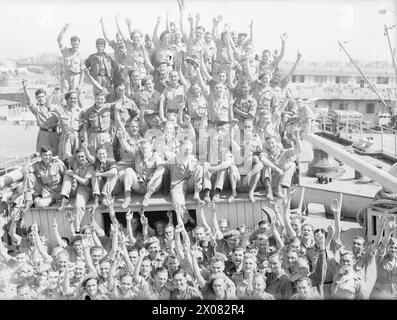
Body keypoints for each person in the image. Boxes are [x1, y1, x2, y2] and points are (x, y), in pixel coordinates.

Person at [121, 139, 165, 208]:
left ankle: (147, 196)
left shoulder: (155, 155)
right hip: (139, 185)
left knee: (159, 174)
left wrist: (152, 180)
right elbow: (127, 148)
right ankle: (127, 197)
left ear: (151, 148)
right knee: (128, 170)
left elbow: (161, 169)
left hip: (151, 187)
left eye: (146, 148)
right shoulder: (137, 154)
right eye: (142, 148)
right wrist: (121, 138)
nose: (144, 150)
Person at [58, 149, 94, 232]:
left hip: (85, 188)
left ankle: (77, 229)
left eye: (82, 157)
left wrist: (74, 175)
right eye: (78, 157)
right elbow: (65, 151)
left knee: (78, 205)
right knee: (67, 174)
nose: (80, 159)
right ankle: (64, 198)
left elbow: (85, 182)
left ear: (86, 156)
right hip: (75, 186)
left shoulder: (90, 167)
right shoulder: (74, 162)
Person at [22, 146, 66, 211]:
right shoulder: (37, 164)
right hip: (46, 190)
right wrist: (30, 158)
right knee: (29, 175)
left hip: (58, 191)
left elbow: (66, 176)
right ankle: (29, 200)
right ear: (41, 156)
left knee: (39, 203)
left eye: (49, 155)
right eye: (45, 155)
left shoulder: (57, 163)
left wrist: (64, 194)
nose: (47, 157)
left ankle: (43, 200)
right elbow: (24, 172)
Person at [22, 80, 59, 155]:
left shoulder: (54, 107)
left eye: (42, 96)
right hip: (43, 134)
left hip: (55, 134)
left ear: (45, 97)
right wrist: (25, 88)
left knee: (56, 155)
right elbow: (29, 100)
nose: (41, 98)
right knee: (43, 155)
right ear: (36, 98)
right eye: (39, 97)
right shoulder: (36, 109)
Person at [81, 90, 114, 160]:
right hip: (93, 136)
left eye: (102, 99)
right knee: (94, 157)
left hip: (105, 135)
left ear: (105, 100)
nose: (100, 101)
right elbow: (85, 128)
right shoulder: (89, 111)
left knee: (108, 157)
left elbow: (118, 104)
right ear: (94, 99)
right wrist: (86, 140)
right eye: (98, 99)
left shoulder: (108, 108)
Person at [53, 91, 83, 161]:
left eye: (75, 98)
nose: (73, 100)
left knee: (77, 157)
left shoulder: (81, 111)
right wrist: (54, 94)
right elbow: (48, 106)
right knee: (64, 157)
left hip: (76, 137)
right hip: (65, 137)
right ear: (66, 99)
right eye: (71, 98)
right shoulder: (61, 109)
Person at [57, 23, 85, 93]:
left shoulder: (81, 56)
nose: (75, 46)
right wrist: (64, 29)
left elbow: (83, 72)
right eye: (73, 44)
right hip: (66, 77)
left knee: (74, 97)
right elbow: (59, 40)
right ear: (71, 44)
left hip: (76, 78)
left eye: (77, 44)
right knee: (64, 97)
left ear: (79, 44)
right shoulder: (66, 51)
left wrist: (80, 84)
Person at [91, 147, 119, 211]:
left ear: (107, 154)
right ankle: (97, 199)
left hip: (115, 187)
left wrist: (100, 174)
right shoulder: (97, 162)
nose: (101, 156)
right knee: (94, 175)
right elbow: (89, 157)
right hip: (104, 187)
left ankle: (105, 198)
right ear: (97, 155)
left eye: (103, 154)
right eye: (99, 154)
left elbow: (114, 172)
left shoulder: (111, 160)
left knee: (111, 175)